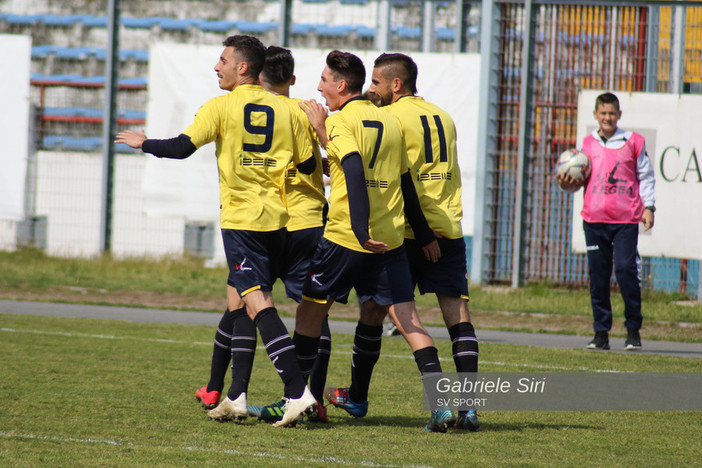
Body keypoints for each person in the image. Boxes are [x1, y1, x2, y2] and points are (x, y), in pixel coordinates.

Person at [115, 35, 317, 427]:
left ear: (244, 68)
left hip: (242, 222)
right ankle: (237, 397)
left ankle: (297, 392)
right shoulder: (290, 111)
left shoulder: (221, 107)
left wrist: (144, 143)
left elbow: (181, 147)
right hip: (278, 221)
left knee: (258, 305)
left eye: (223, 60)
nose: (216, 66)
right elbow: (309, 168)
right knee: (238, 301)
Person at [291, 50, 456, 432]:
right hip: (392, 239)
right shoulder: (390, 120)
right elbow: (405, 184)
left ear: (341, 85)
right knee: (410, 320)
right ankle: (442, 406)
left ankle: (296, 400)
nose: (319, 87)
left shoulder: (342, 121)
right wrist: (423, 232)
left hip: (349, 238)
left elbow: (351, 169)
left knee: (310, 312)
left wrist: (361, 230)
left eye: (324, 80)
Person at [324, 52, 480, 431]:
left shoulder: (391, 119)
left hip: (410, 230)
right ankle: (470, 408)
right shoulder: (443, 115)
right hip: (449, 225)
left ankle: (366, 398)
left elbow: (401, 180)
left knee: (389, 312)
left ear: (396, 84)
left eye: (376, 83)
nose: (371, 90)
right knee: (457, 317)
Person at [557, 91, 655, 351]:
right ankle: (601, 333)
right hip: (594, 220)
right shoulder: (586, 145)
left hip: (625, 220)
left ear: (619, 115)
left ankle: (633, 330)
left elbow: (646, 176)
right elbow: (578, 184)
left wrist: (649, 207)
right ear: (596, 115)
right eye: (603, 114)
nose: (607, 118)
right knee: (598, 277)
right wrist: (566, 184)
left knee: (625, 271)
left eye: (612, 113)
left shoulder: (633, 142)